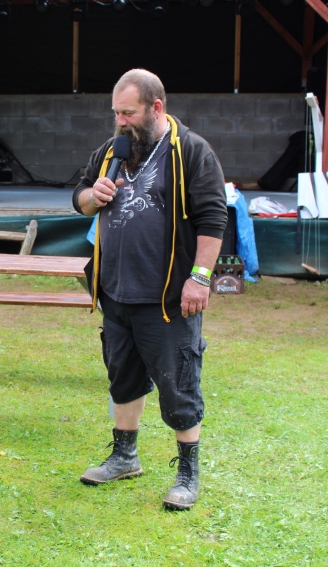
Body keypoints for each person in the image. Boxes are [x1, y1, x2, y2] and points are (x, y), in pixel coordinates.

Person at [72, 68, 228, 511]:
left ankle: (187, 473)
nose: (120, 121)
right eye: (116, 113)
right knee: (122, 376)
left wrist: (200, 278)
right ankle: (124, 457)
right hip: (116, 292)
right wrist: (92, 196)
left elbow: (214, 218)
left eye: (128, 113)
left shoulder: (191, 151)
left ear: (156, 108)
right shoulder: (112, 151)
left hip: (167, 299)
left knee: (179, 384)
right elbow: (79, 196)